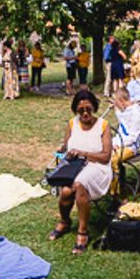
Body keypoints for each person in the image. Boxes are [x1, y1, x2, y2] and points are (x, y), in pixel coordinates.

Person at [48, 90, 112, 255]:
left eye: (88, 109)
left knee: (79, 184)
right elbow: (65, 148)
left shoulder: (103, 125)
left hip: (98, 168)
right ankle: (65, 221)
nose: (85, 113)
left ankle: (82, 232)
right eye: (81, 110)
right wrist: (65, 152)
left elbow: (106, 157)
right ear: (76, 109)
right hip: (76, 166)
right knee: (67, 192)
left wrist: (84, 153)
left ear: (94, 107)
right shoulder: (71, 124)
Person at [109, 88, 140, 195]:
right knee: (105, 156)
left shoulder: (136, 114)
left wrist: (118, 144)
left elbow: (133, 137)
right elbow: (121, 124)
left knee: (114, 160)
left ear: (122, 101)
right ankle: (114, 184)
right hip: (120, 144)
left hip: (132, 147)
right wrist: (113, 144)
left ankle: (115, 193)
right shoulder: (125, 111)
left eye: (117, 102)